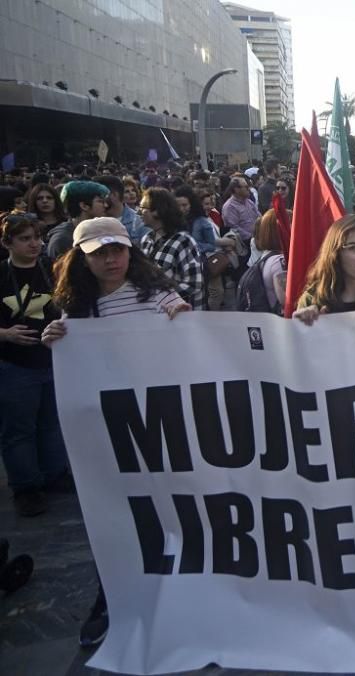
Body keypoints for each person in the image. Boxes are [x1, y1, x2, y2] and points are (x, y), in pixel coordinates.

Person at [41, 216, 190, 649]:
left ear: (131, 250)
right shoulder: (77, 309)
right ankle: (112, 597)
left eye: (118, 250)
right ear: (82, 260)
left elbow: (187, 337)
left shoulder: (156, 295)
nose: (112, 259)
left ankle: (181, 591)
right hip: (111, 432)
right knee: (117, 516)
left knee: (169, 509)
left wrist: (183, 319)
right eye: (100, 253)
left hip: (162, 424)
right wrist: (57, 339)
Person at [0, 213, 68, 517]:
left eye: (37, 237)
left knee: (52, 423)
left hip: (52, 360)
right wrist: (4, 334)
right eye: (25, 239)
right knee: (19, 429)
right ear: (7, 243)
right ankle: (26, 486)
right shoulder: (1, 274)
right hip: (14, 364)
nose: (35, 244)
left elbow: (70, 305)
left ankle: (54, 474)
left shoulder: (52, 269)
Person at [138, 188, 205, 308]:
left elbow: (194, 284)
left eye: (143, 208)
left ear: (157, 211)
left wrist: (160, 297)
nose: (139, 211)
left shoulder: (183, 241)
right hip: (154, 314)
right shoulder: (146, 240)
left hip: (184, 316)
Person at [46, 181, 109, 259]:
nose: (106, 205)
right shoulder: (62, 240)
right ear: (84, 206)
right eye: (100, 201)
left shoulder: (99, 230)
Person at [94, 175, 147, 244]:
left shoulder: (140, 223)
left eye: (100, 196)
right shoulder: (93, 222)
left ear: (114, 195)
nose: (96, 201)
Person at [221, 176, 258, 244]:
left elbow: (259, 217)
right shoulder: (230, 207)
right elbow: (234, 228)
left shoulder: (249, 202)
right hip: (245, 244)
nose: (249, 189)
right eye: (246, 187)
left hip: (257, 239)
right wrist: (252, 237)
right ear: (236, 189)